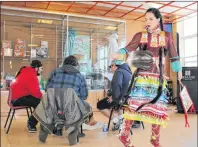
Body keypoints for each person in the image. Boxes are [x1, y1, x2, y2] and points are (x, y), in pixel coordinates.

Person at [111, 8, 182, 147]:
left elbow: (174, 55)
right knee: (134, 106)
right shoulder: (140, 35)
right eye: (145, 19)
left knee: (158, 108)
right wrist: (118, 55)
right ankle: (124, 134)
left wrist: (178, 71)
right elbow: (128, 49)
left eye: (150, 19)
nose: (147, 22)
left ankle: (155, 139)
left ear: (158, 20)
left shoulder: (167, 36)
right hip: (142, 77)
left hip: (158, 79)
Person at [46, 55, 103, 135]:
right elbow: (84, 95)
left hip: (53, 104)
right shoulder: (79, 76)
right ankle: (76, 129)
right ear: (76, 65)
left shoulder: (54, 72)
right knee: (86, 106)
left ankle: (59, 127)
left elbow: (47, 88)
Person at [97, 59, 132, 131]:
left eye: (110, 66)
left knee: (100, 105)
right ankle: (121, 119)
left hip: (120, 99)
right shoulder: (128, 72)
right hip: (127, 99)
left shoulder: (118, 72)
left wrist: (113, 97)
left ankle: (116, 121)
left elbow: (117, 85)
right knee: (119, 106)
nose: (110, 68)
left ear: (114, 65)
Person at [10, 60, 43, 132]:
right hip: (18, 99)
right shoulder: (31, 75)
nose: (41, 70)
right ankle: (31, 123)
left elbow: (32, 91)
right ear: (36, 68)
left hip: (16, 98)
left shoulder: (26, 71)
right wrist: (43, 98)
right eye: (41, 68)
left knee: (39, 103)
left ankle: (39, 121)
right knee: (41, 104)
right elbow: (36, 92)